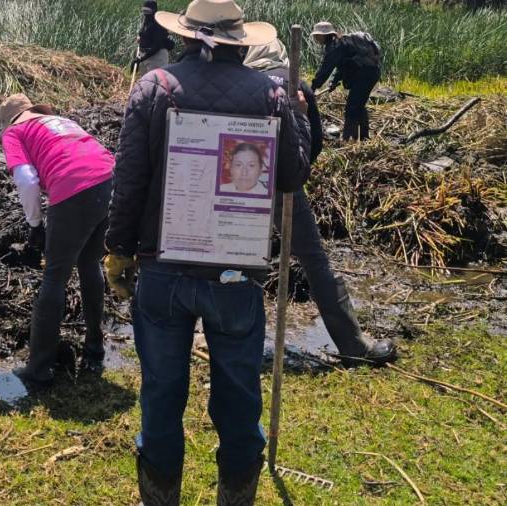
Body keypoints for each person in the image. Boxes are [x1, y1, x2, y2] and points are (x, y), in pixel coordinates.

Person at [104, 0, 312, 503]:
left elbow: (129, 179)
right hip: (235, 274)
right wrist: (301, 120)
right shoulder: (271, 94)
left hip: (162, 270)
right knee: (240, 396)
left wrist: (118, 249)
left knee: (160, 391)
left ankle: (160, 496)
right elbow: (292, 175)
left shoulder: (154, 88)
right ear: (236, 44)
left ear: (188, 38)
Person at [246, 38, 397, 366]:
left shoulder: (242, 83)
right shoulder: (295, 83)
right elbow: (314, 142)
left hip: (241, 185)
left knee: (242, 259)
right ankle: (353, 344)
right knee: (314, 259)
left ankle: (234, 340)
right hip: (287, 186)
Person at [0, 94, 115, 390]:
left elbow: (26, 179)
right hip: (109, 179)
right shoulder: (62, 121)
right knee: (90, 262)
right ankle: (94, 351)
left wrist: (35, 224)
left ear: (9, 121)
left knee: (55, 275)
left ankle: (39, 368)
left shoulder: (15, 132)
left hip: (74, 186)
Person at [310, 21, 381, 141]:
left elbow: (325, 70)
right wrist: (334, 82)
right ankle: (363, 138)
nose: (316, 38)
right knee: (358, 104)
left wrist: (312, 87)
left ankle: (348, 140)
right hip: (371, 72)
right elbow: (342, 66)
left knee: (352, 108)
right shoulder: (340, 43)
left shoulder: (335, 46)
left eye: (317, 35)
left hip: (365, 74)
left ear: (324, 35)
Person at [133, 1, 175, 75]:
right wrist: (141, 38)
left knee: (155, 82)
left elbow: (157, 46)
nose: (146, 13)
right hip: (144, 55)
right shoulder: (146, 21)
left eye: (148, 11)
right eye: (144, 11)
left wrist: (141, 59)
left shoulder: (158, 25)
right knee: (144, 81)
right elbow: (144, 34)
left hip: (157, 57)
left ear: (154, 11)